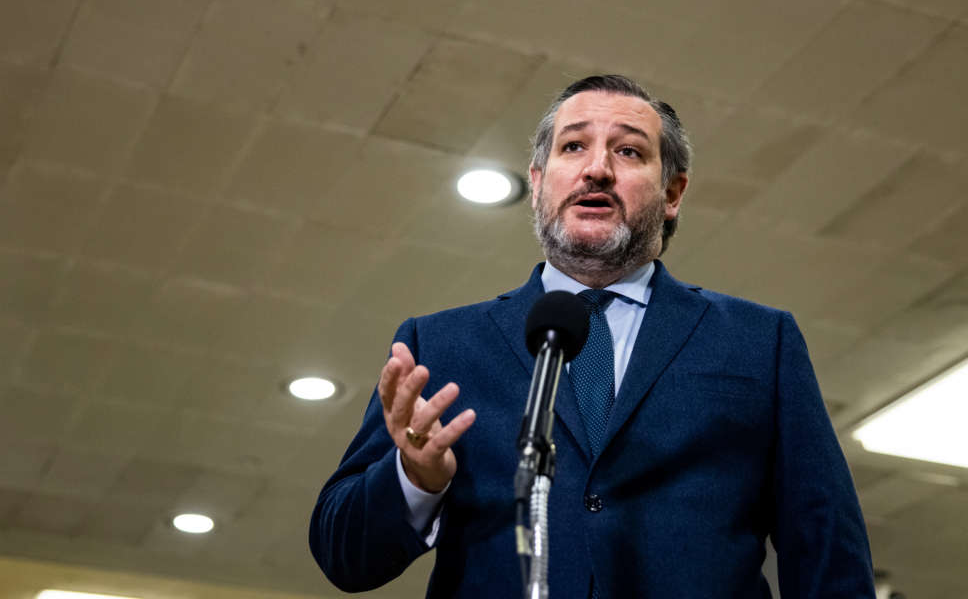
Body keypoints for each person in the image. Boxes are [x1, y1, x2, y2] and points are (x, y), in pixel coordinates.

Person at [309, 75, 875, 598]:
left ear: (673, 193)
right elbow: (343, 555)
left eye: (628, 151)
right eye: (573, 146)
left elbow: (827, 549)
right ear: (537, 184)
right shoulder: (441, 345)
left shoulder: (759, 341)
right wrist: (414, 478)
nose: (597, 168)